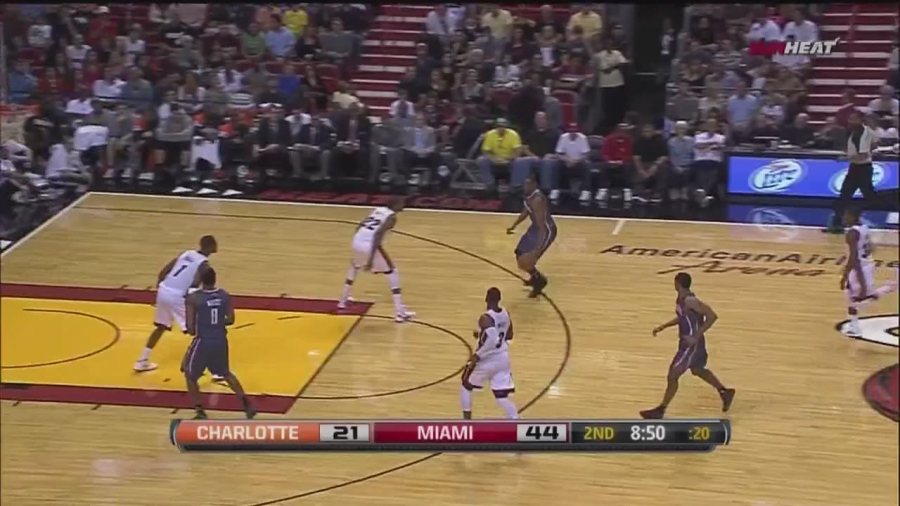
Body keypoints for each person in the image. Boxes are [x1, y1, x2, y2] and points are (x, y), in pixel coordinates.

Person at [640, 272, 736, 420]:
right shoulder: (682, 299)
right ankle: (725, 392)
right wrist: (664, 326)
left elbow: (712, 316)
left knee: (673, 375)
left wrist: (695, 336)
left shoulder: (690, 300)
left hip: (691, 345)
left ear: (677, 283)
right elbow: (683, 318)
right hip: (692, 343)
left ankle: (661, 410)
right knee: (698, 370)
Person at [135, 235, 217, 373]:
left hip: (164, 289)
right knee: (203, 331)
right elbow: (194, 285)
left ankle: (142, 360)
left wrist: (161, 288)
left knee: (161, 327)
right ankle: (214, 370)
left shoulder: (186, 253)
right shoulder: (204, 264)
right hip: (177, 296)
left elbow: (164, 272)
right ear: (211, 247)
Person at [183, 267, 256, 420]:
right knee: (226, 373)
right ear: (215, 279)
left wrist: (201, 324)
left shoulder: (194, 298)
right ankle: (246, 404)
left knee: (190, 375)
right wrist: (216, 324)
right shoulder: (224, 295)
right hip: (220, 339)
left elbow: (190, 329)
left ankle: (200, 411)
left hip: (203, 341)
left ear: (201, 280)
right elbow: (231, 319)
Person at [338, 198, 415, 322]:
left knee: (354, 266)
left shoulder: (378, 210)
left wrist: (358, 241)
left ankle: (343, 301)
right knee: (392, 272)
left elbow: (360, 225)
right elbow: (378, 235)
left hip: (357, 240)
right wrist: (370, 259)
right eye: (401, 203)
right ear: (395, 204)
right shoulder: (391, 217)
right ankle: (400, 313)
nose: (404, 205)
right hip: (369, 244)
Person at [460, 287, 518, 420]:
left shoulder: (486, 318)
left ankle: (466, 421)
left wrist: (477, 355)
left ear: (486, 298)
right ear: (499, 299)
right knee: (501, 397)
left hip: (487, 360)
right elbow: (509, 335)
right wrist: (482, 334)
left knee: (466, 384)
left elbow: (492, 340)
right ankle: (516, 419)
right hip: (503, 359)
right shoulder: (506, 314)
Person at [839, 206, 897, 337]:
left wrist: (846, 274)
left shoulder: (852, 233)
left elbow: (854, 258)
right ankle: (854, 324)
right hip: (867, 264)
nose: (843, 218)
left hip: (858, 267)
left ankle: (854, 327)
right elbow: (871, 248)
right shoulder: (864, 228)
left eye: (846, 215)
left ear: (852, 217)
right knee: (858, 296)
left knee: (855, 297)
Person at [825, 109, 879, 233]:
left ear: (860, 119)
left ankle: (852, 216)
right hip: (855, 167)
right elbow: (875, 143)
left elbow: (863, 154)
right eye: (850, 118)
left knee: (869, 197)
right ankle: (837, 223)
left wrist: (846, 157)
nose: (850, 121)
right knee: (844, 195)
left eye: (853, 119)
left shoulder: (863, 132)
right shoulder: (856, 131)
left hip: (863, 168)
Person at [506, 173, 557, 298]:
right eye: (525, 184)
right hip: (535, 228)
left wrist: (537, 249)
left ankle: (539, 283)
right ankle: (536, 277)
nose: (525, 186)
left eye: (528, 184)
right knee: (519, 253)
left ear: (534, 185)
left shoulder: (537, 200)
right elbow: (525, 212)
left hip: (546, 230)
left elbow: (542, 227)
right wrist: (514, 225)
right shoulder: (529, 197)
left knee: (528, 260)